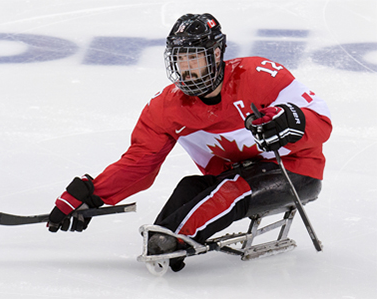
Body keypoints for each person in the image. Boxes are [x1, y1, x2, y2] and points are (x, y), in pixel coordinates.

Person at [47, 13, 332, 272]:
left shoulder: (259, 75)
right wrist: (92, 195)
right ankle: (163, 236)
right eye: (180, 59)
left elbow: (321, 120)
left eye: (193, 58)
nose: (186, 68)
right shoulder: (165, 109)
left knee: (231, 191)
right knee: (190, 185)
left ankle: (177, 237)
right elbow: (139, 163)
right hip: (233, 175)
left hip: (294, 170)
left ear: (216, 53)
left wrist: (292, 120)